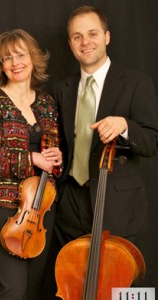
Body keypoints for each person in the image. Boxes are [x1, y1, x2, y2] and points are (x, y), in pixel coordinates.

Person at [54, 5, 158, 251]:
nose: (85, 42)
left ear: (107, 37)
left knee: (118, 288)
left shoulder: (136, 83)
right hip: (69, 205)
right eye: (77, 37)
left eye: (93, 33)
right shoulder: (63, 90)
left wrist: (125, 125)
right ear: (70, 43)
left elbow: (152, 141)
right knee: (73, 286)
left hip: (116, 204)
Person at [0, 29, 63, 300]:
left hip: (42, 207)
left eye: (20, 55)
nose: (15, 63)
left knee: (34, 289)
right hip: (5, 207)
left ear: (32, 58)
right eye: (7, 58)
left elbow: (52, 157)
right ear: (0, 65)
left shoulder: (48, 103)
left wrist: (56, 161)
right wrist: (31, 159)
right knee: (13, 290)